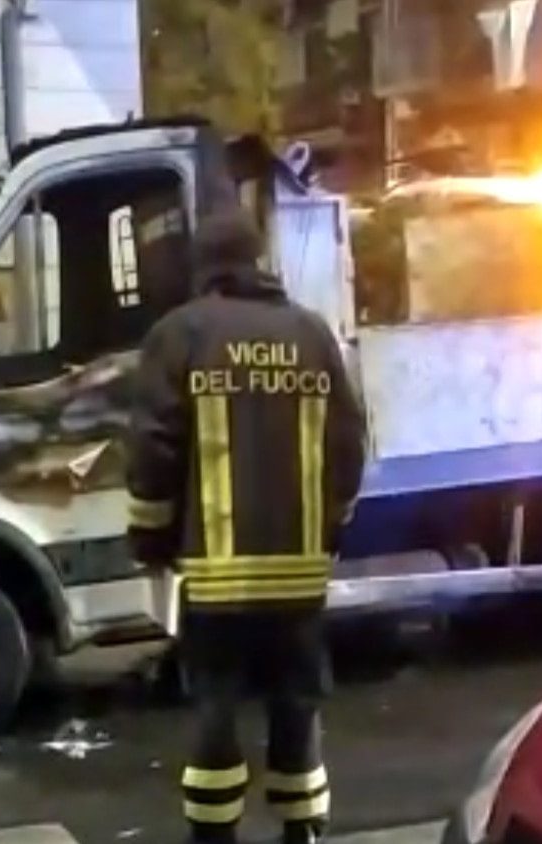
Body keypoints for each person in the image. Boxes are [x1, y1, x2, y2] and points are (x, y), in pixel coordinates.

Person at [126, 209, 367, 844]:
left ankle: (215, 835)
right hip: (300, 576)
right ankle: (302, 828)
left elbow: (154, 449)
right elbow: (348, 445)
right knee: (297, 704)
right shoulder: (312, 334)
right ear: (259, 261)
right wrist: (331, 529)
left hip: (215, 578)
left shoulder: (180, 334)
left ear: (205, 267)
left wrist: (151, 540)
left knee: (217, 707)